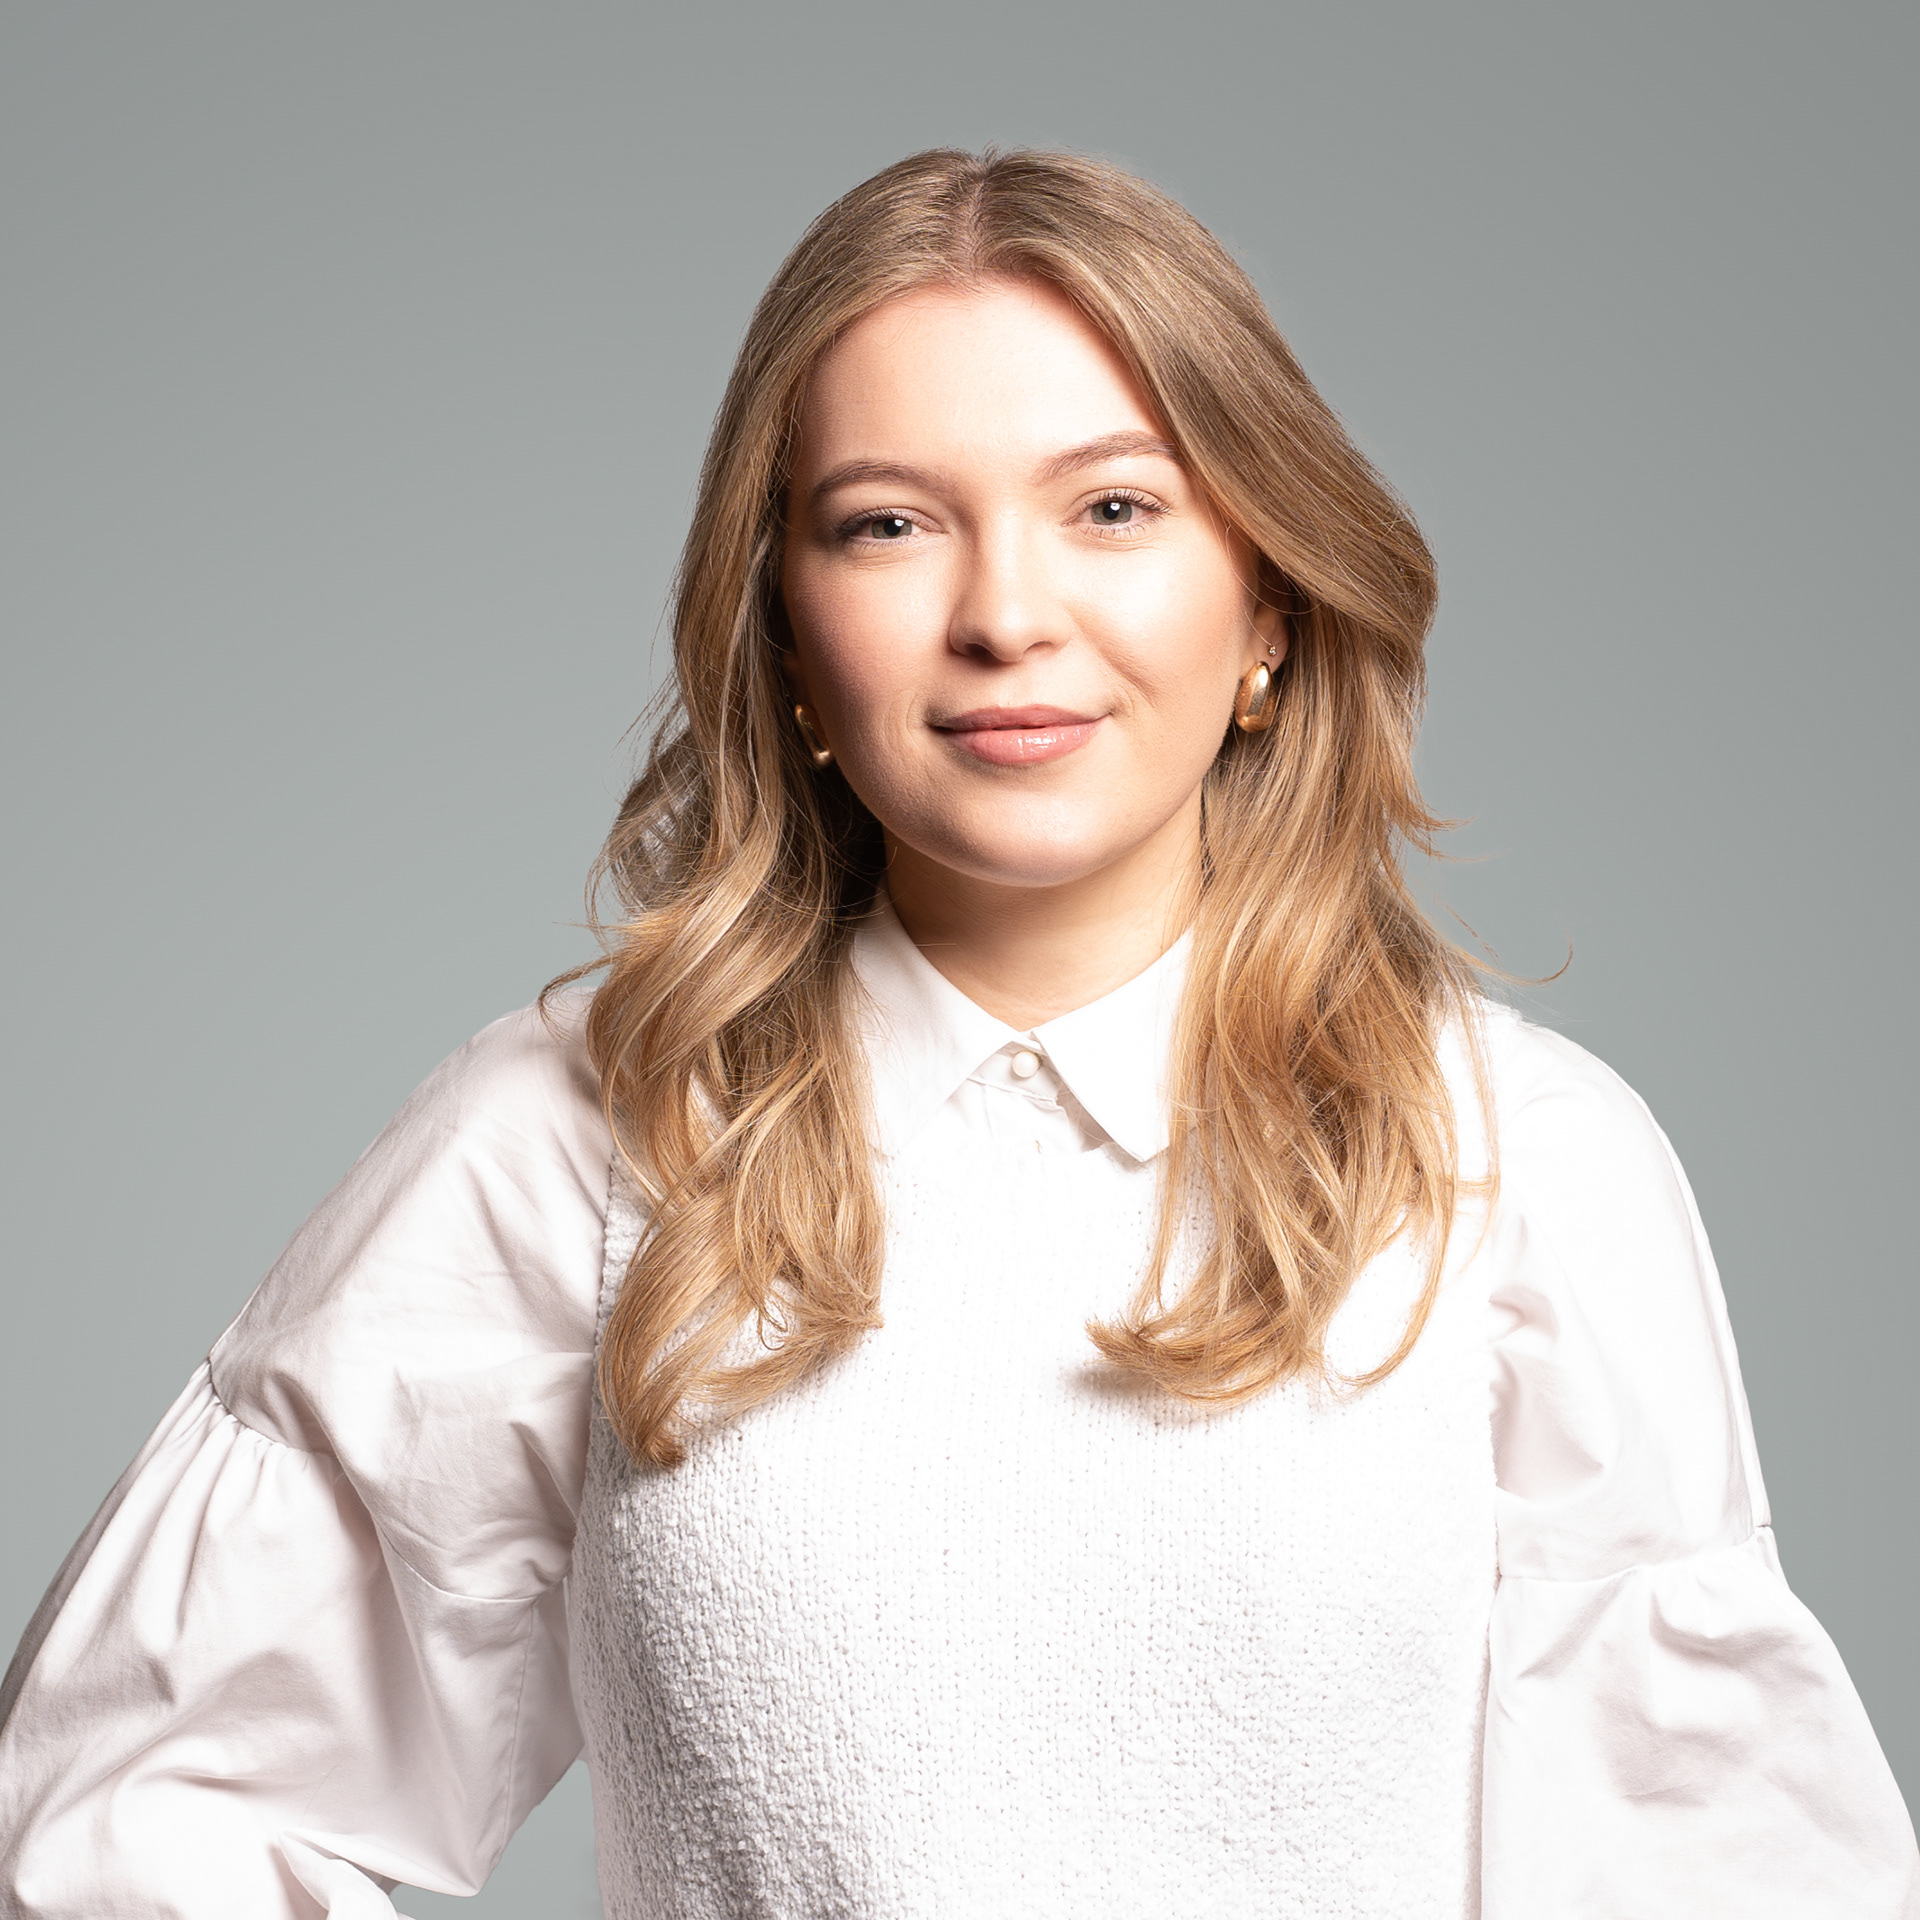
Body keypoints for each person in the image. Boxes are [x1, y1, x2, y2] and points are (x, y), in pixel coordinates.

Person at [1, 147, 1913, 1920]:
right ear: (785, 639)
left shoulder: (1520, 1154)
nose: (1007, 612)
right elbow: (149, 1814)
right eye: (890, 522)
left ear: (1265, 606)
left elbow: (1718, 1872)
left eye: (1111, 506)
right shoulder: (578, 1130)